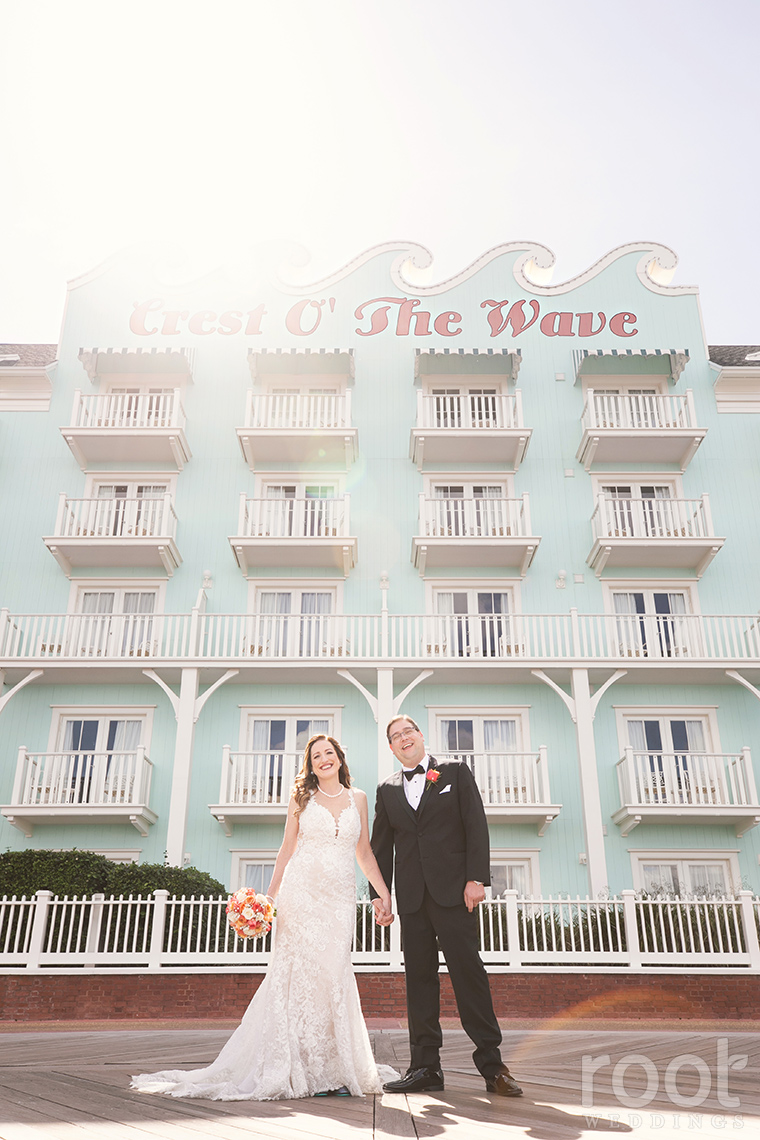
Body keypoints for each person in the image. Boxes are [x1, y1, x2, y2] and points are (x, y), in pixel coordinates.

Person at [132, 734, 397, 1100]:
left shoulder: (360, 799)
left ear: (340, 758)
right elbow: (286, 849)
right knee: (298, 981)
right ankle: (304, 1070)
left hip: (338, 901)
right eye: (316, 755)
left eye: (329, 753)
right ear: (311, 764)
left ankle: (334, 1069)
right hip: (300, 897)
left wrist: (384, 893)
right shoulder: (302, 798)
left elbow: (364, 851)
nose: (323, 759)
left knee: (333, 976)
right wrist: (268, 901)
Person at [370, 714, 523, 1098]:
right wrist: (379, 895)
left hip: (455, 893)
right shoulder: (386, 790)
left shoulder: (455, 772)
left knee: (468, 974)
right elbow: (380, 848)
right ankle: (425, 1067)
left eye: (409, 731)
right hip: (412, 900)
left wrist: (477, 879)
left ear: (421, 736)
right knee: (418, 980)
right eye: (395, 736)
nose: (404, 738)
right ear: (391, 748)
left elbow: (476, 825)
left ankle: (493, 1066)